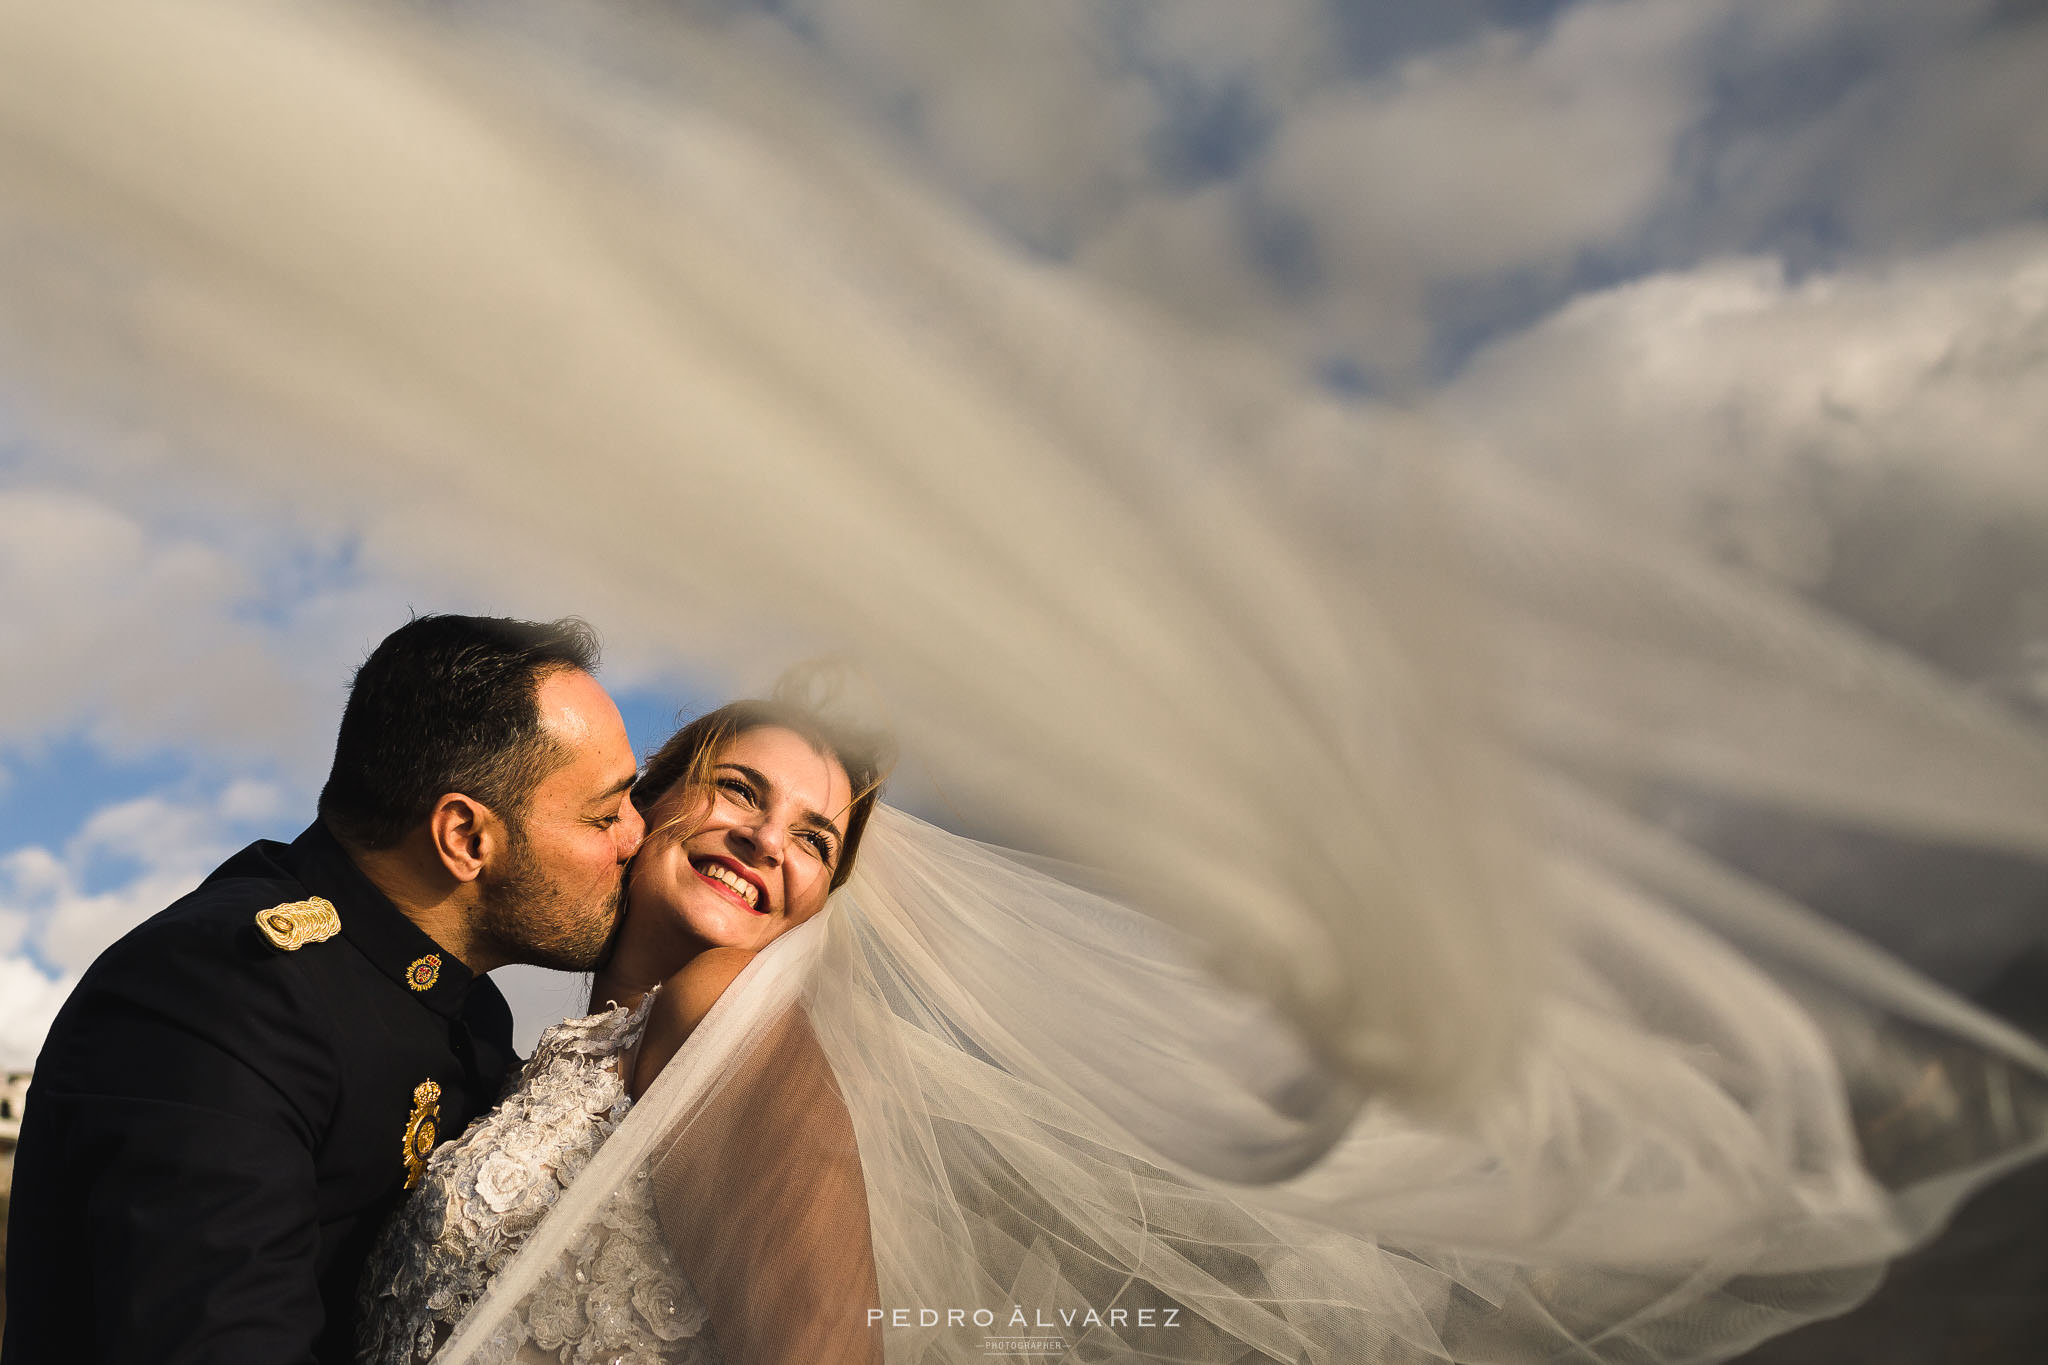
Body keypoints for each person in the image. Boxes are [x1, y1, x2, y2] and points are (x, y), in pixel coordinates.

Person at [1, 614, 647, 1365]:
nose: (636, 835)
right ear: (466, 837)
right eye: (606, 813)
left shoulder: (465, 1004)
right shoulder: (217, 993)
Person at [358, 679, 892, 1365]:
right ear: (639, 809)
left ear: (819, 902)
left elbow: (827, 1345)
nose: (765, 840)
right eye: (739, 789)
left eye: (813, 840)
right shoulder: (522, 1065)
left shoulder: (723, 1006)